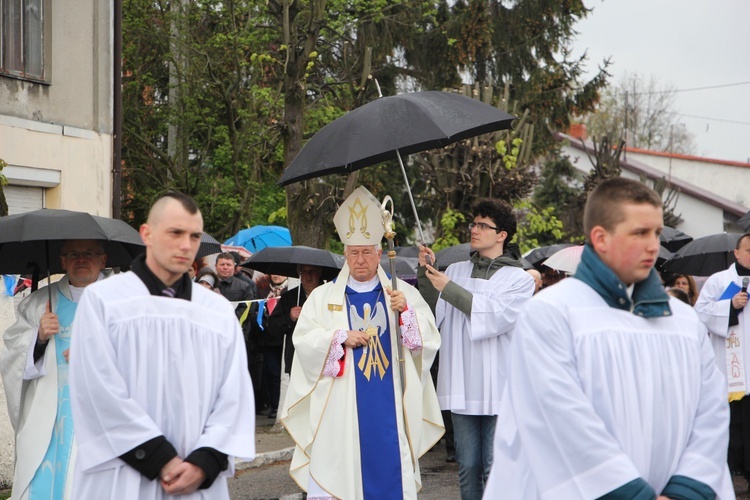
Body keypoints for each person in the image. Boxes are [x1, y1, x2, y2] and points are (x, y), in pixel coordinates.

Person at [485, 178, 732, 499]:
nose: (653, 246)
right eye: (640, 233)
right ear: (600, 238)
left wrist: (685, 490)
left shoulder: (683, 320)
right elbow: (561, 423)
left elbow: (710, 412)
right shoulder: (551, 314)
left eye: (656, 233)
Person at [68, 191, 255, 499]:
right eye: (175, 233)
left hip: (197, 480)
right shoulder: (105, 301)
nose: (186, 245)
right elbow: (96, 389)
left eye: (194, 236)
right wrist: (158, 458)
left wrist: (206, 461)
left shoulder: (217, 311)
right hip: (123, 474)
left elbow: (234, 393)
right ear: (147, 234)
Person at [281, 186, 444, 499]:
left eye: (367, 252)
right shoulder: (323, 297)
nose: (360, 259)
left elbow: (428, 340)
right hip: (340, 405)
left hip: (390, 399)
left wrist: (406, 314)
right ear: (344, 254)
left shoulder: (401, 294)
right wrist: (339, 338)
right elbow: (304, 341)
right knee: (341, 470)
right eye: (353, 253)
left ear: (380, 254)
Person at [418, 198, 534, 500]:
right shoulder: (454, 270)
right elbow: (432, 315)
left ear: (502, 235)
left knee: (494, 467)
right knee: (468, 466)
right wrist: (426, 274)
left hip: (499, 386)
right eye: (474, 223)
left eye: (484, 225)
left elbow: (495, 317)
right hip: (462, 382)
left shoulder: (519, 280)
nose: (475, 229)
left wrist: (449, 288)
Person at [0, 239, 108, 499]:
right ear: (62, 261)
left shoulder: (121, 302)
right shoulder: (39, 302)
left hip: (100, 417)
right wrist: (38, 337)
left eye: (89, 254)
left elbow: (142, 357)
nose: (81, 259)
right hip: (47, 414)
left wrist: (97, 353)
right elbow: (12, 354)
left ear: (103, 260)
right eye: (73, 254)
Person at [695, 232, 750, 484]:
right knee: (731, 426)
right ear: (737, 253)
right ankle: (729, 475)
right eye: (749, 251)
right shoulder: (719, 281)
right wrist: (729, 306)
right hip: (729, 369)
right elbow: (700, 314)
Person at [265, 265, 324, 415]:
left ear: (319, 274)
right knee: (302, 404)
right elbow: (272, 328)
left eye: (313, 272)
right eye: (305, 272)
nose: (309, 276)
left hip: (324, 357)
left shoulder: (330, 294)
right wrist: (289, 318)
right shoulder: (290, 297)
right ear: (299, 274)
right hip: (297, 358)